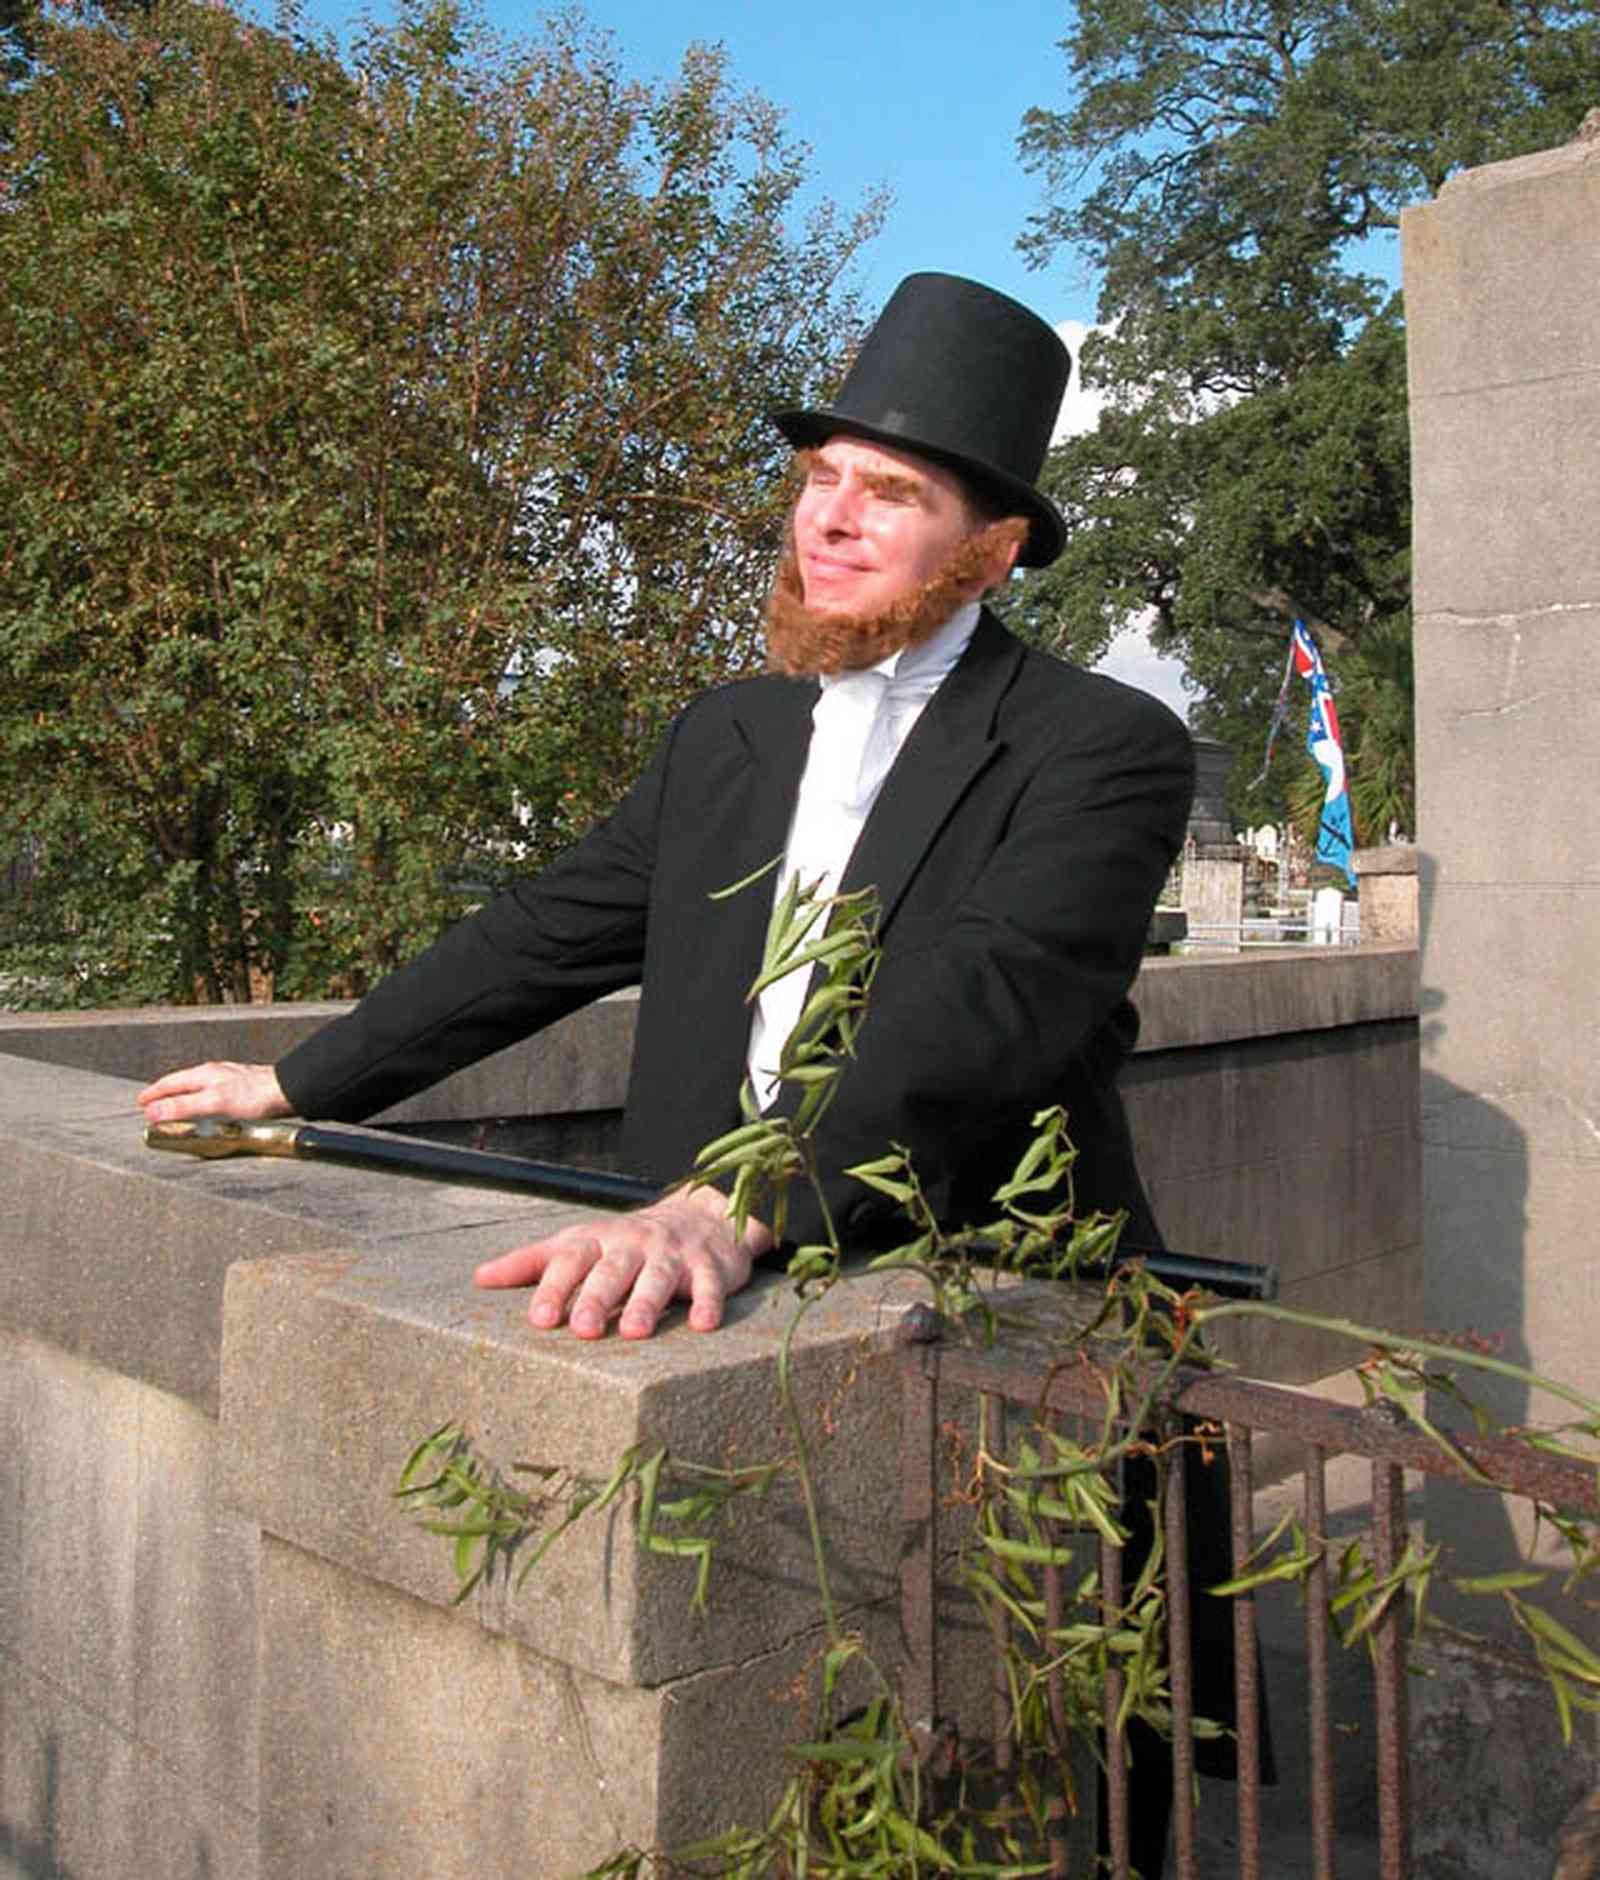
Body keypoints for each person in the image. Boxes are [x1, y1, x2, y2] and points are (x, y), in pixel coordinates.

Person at [138, 272, 1195, 1346]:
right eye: (820, 478)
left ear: (990, 554)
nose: (827, 519)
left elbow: (986, 998)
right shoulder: (727, 733)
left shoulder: (1103, 745)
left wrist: (737, 1201)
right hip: (691, 1284)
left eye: (890, 493)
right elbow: (544, 933)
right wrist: (299, 1080)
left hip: (993, 1305)